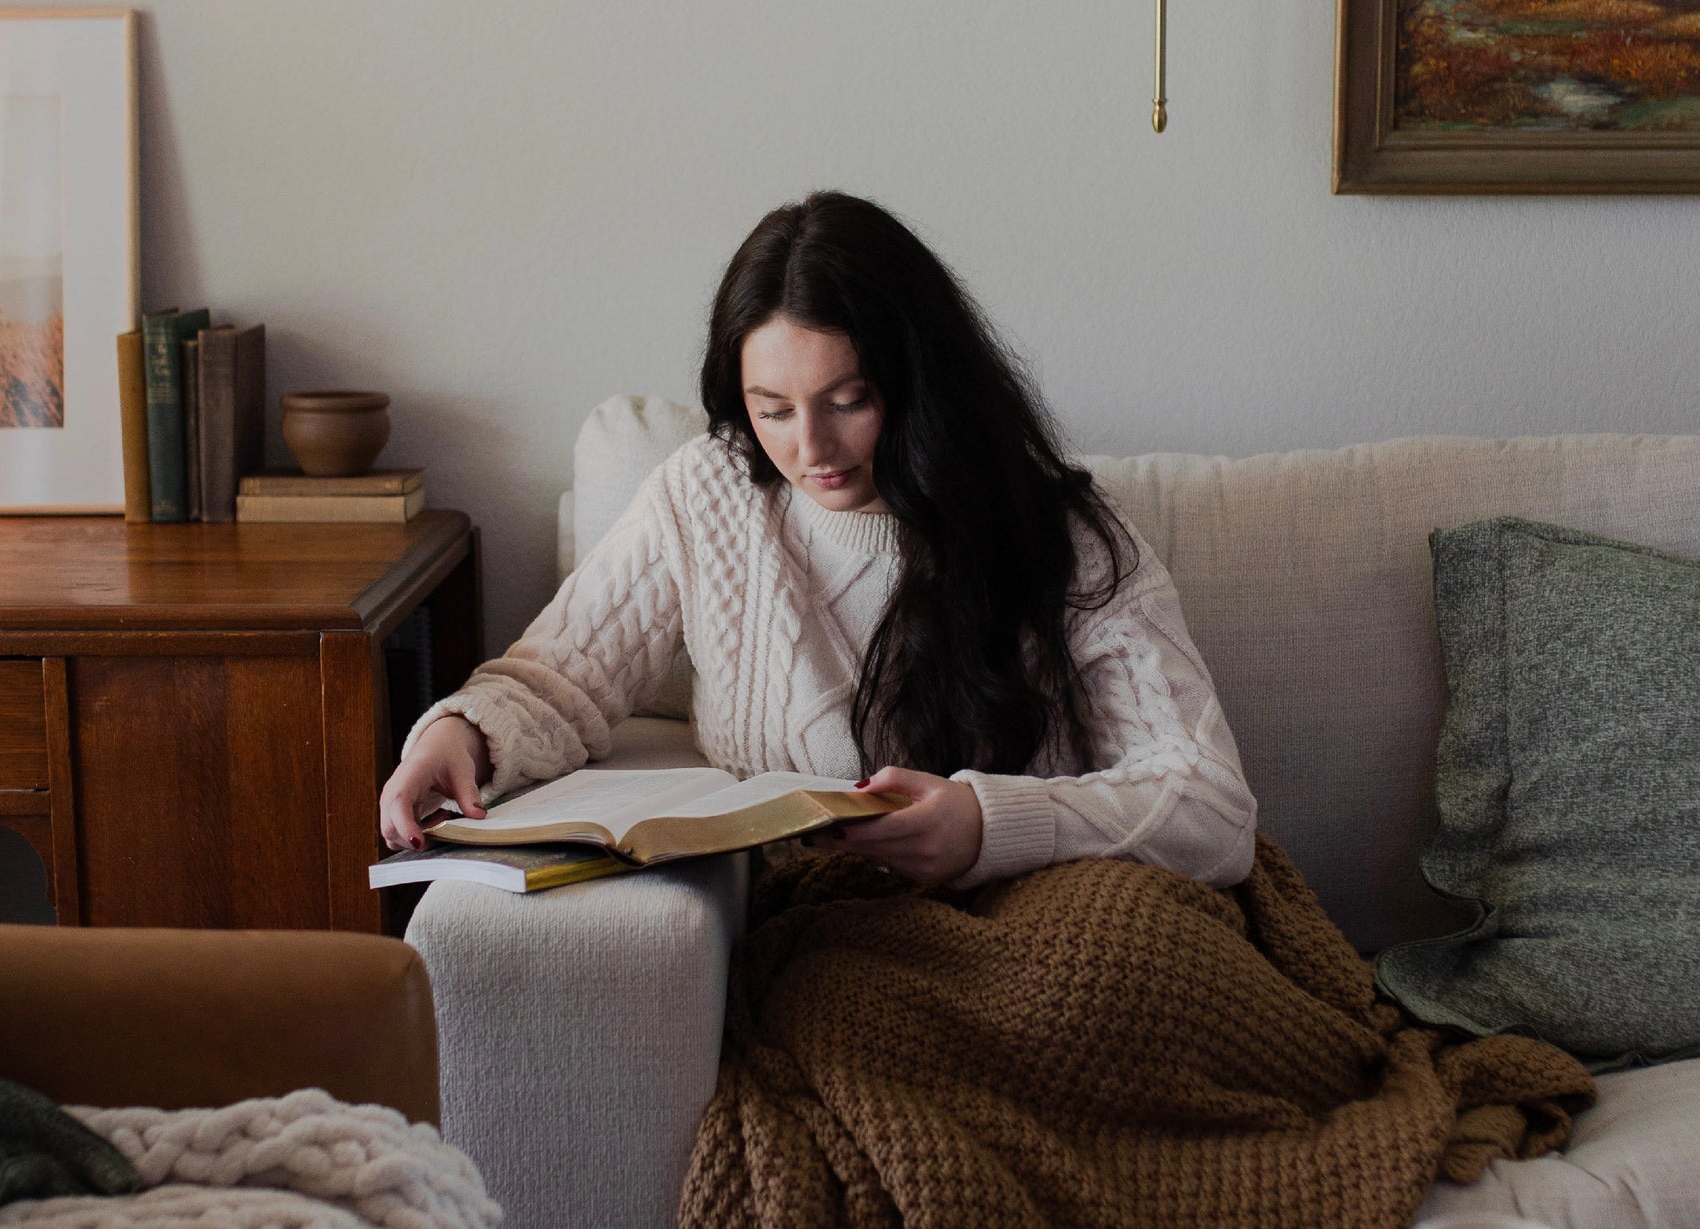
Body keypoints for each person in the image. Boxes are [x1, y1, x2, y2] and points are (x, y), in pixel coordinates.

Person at [378, 190, 1256, 890]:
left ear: (921, 384)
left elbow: (1212, 806)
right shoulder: (709, 497)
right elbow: (556, 678)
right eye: (772, 411)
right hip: (825, 943)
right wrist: (458, 736)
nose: (810, 447)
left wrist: (989, 825)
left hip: (1042, 917)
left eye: (848, 402)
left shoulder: (1056, 533)